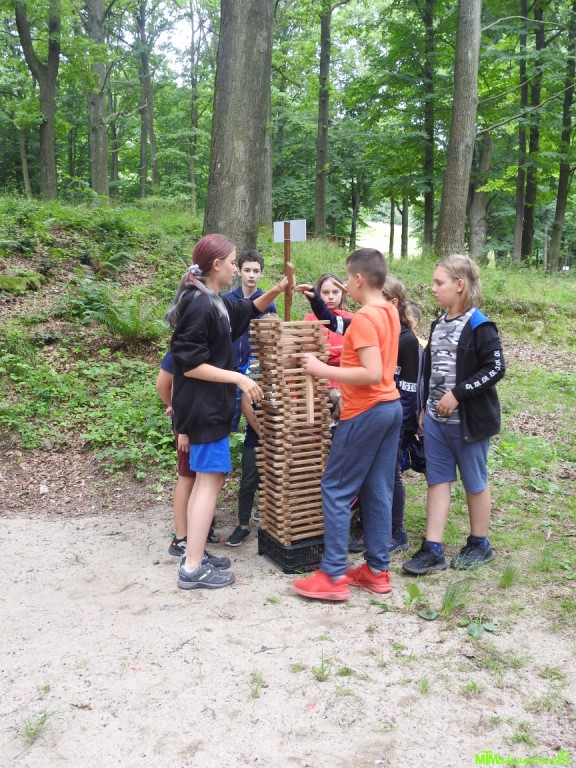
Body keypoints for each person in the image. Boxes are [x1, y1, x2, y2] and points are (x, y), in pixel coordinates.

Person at [167, 234, 289, 590]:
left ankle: (194, 552)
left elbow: (244, 311)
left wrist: (277, 289)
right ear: (217, 264)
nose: (237, 269)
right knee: (209, 482)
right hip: (204, 409)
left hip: (210, 409)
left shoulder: (214, 301)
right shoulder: (200, 305)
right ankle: (192, 568)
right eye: (234, 262)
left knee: (209, 481)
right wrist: (238, 377)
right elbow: (189, 363)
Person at [293, 248, 402, 601]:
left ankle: (333, 575)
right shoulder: (388, 311)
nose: (343, 286)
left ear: (357, 279)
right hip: (390, 408)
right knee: (377, 489)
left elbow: (372, 373)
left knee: (335, 488)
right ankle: (376, 571)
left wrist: (321, 369)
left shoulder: (367, 317)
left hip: (365, 411)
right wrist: (317, 302)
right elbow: (345, 328)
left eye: (346, 279)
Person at [402, 254, 505, 576]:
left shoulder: (479, 325)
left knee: (475, 482)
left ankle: (479, 543)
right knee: (438, 481)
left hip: (468, 424)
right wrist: (423, 407)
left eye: (439, 283)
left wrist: (458, 394)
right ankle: (432, 548)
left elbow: (496, 368)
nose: (433, 289)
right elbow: (428, 369)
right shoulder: (438, 324)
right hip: (435, 422)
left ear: (459, 285)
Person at [155, 352, 218, 557]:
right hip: (187, 424)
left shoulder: (200, 348)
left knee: (200, 477)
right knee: (187, 476)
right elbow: (162, 385)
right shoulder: (181, 349)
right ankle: (181, 538)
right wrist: (177, 410)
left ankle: (195, 533)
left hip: (200, 420)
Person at [223, 250, 277, 432]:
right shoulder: (227, 300)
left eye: (256, 271)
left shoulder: (267, 302)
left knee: (255, 411)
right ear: (239, 271)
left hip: (256, 367)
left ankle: (253, 443)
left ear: (262, 273)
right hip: (229, 367)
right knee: (228, 418)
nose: (251, 275)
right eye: (247, 270)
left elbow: (272, 336)